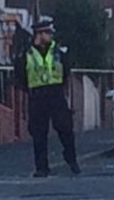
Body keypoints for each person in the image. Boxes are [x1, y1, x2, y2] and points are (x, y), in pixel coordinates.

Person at [14, 19, 80, 178]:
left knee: (65, 128)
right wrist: (29, 90)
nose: (50, 36)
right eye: (47, 33)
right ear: (39, 34)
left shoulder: (58, 52)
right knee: (38, 133)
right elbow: (20, 75)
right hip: (37, 96)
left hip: (56, 94)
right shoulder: (26, 54)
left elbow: (66, 71)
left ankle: (71, 159)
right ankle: (41, 167)